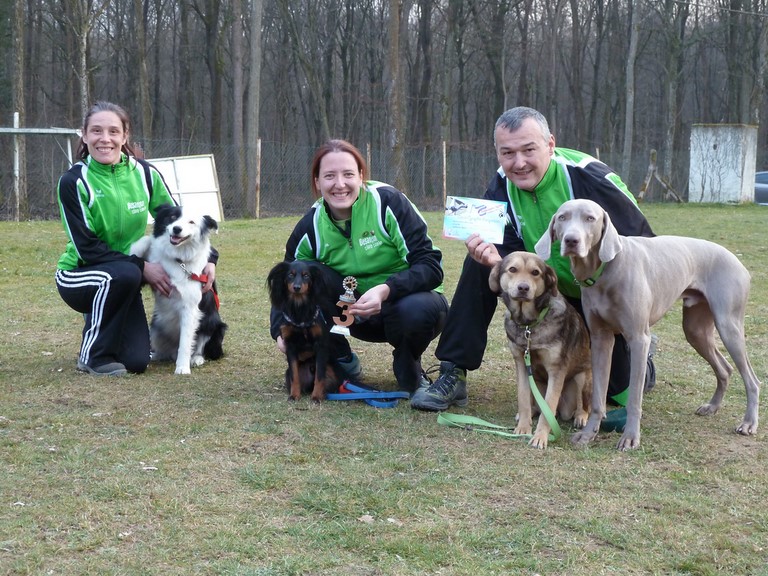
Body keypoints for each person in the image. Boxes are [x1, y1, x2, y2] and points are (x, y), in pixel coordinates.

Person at [411, 106, 657, 411]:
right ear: (498, 153)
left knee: (616, 392)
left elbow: (644, 245)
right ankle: (453, 370)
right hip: (547, 289)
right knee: (478, 263)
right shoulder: (501, 184)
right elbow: (508, 251)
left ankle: (640, 356)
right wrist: (493, 257)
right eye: (508, 153)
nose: (519, 163)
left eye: (529, 150)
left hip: (599, 293)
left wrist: (626, 308)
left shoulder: (590, 177)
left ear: (550, 144)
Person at [270, 139, 448, 393]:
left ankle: (408, 364)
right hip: (348, 312)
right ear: (317, 182)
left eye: (348, 174)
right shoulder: (310, 225)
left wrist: (386, 289)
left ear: (361, 176)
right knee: (306, 270)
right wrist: (279, 329)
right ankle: (339, 358)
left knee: (417, 310)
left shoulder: (389, 203)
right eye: (329, 176)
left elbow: (431, 266)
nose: (339, 184)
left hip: (402, 306)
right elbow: (284, 282)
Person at [55, 101, 218, 376]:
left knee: (137, 361)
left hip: (126, 276)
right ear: (83, 135)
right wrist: (143, 267)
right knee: (123, 274)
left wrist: (210, 261)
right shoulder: (73, 181)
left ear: (125, 135)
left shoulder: (144, 173)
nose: (105, 139)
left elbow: (180, 221)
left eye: (113, 131)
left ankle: (106, 315)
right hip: (81, 274)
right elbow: (87, 248)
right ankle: (92, 356)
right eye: (96, 131)